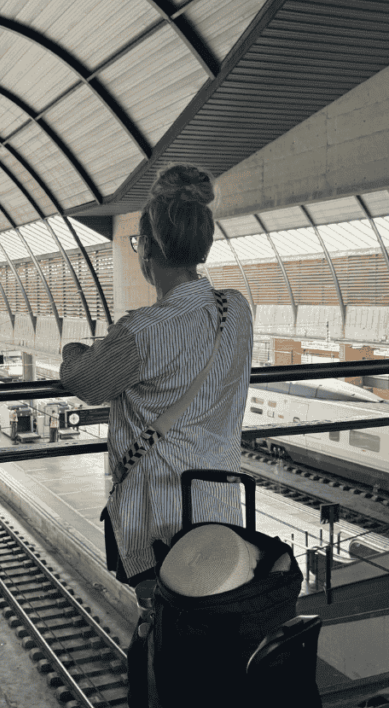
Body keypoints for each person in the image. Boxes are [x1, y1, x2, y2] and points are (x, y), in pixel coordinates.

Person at [59, 163, 253, 586]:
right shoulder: (236, 309)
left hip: (160, 522)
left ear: (146, 246)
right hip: (221, 505)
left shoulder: (143, 331)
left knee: (168, 627)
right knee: (214, 614)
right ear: (202, 247)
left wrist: (73, 349)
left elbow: (83, 382)